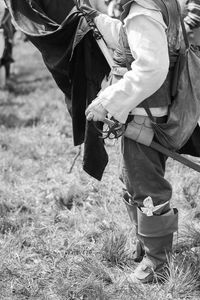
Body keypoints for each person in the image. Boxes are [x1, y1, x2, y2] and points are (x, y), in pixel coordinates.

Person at [80, 0, 182, 283]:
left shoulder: (142, 11)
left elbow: (151, 68)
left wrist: (107, 101)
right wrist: (97, 19)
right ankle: (146, 245)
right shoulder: (143, 9)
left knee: (146, 185)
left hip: (145, 113)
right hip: (143, 109)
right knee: (132, 179)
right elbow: (130, 40)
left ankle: (158, 264)